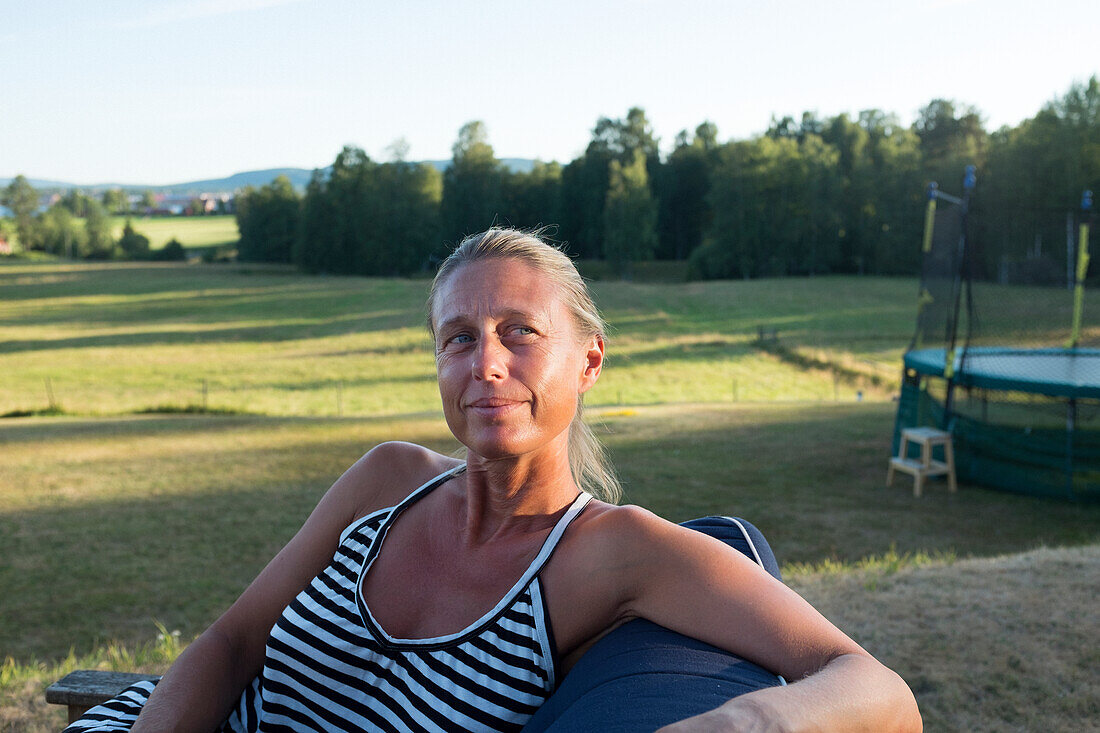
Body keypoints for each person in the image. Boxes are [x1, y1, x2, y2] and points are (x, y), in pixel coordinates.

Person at [69, 228, 921, 732]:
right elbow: (230, 642)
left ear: (588, 361)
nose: (486, 364)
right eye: (458, 337)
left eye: (520, 332)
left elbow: (879, 689)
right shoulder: (387, 478)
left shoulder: (614, 553)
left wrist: (745, 722)